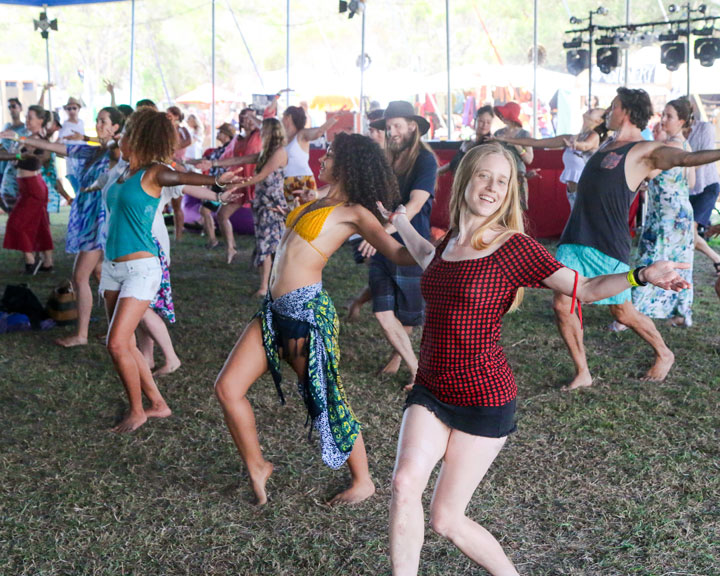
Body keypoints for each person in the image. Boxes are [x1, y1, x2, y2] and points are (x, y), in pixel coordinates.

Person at [381, 142, 690, 576]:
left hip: (482, 397)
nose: (491, 187)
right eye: (484, 176)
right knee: (402, 483)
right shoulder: (450, 240)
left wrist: (642, 274)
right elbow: (427, 257)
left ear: (510, 192)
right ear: (466, 177)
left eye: (502, 181)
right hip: (431, 389)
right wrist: (399, 222)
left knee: (445, 519)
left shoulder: (515, 248)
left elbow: (584, 288)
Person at [214, 132, 417, 506]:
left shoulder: (355, 213)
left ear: (349, 165)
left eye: (331, 155)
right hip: (274, 312)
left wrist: (411, 229)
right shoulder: (317, 201)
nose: (322, 159)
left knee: (325, 398)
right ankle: (258, 465)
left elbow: (400, 255)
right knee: (227, 388)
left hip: (307, 315)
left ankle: (364, 480)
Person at [552, 87, 720, 390]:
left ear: (626, 111)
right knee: (563, 305)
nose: (608, 111)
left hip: (606, 240)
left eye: (613, 106)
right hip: (575, 234)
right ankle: (583, 372)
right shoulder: (604, 142)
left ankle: (664, 352)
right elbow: (577, 131)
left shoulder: (644, 150)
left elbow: (687, 158)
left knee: (623, 311)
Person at [100, 108, 240, 433]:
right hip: (112, 268)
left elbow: (182, 178)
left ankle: (137, 411)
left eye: (126, 133)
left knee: (117, 344)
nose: (120, 137)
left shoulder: (155, 172)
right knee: (127, 344)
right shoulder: (121, 172)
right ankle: (158, 404)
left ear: (139, 138)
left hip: (142, 268)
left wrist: (216, 182)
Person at [2, 106, 125, 347]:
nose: (98, 124)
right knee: (101, 275)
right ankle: (115, 328)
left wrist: (105, 139)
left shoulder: (117, 151)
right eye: (97, 120)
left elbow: (117, 149)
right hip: (89, 217)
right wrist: (21, 138)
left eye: (104, 121)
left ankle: (82, 335)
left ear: (116, 127)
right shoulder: (90, 151)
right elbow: (56, 147)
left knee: (79, 277)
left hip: (100, 221)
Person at [363, 100, 438, 389]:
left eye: (396, 126)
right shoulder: (385, 160)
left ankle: (400, 360)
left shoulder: (425, 160)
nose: (390, 132)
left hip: (409, 245)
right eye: (387, 126)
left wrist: (384, 232)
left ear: (412, 127)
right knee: (383, 310)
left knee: (406, 312)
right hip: (382, 242)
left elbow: (415, 204)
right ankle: (415, 367)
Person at [632, 99, 695, 327]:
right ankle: (681, 313)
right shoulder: (685, 145)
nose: (663, 120)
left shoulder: (670, 147)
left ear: (681, 120)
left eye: (669, 116)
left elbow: (649, 173)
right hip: (678, 211)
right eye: (663, 115)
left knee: (650, 257)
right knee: (679, 261)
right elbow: (692, 181)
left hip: (667, 214)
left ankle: (634, 312)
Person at [495, 107, 608, 209]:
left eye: (596, 110)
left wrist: (576, 145)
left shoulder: (594, 136)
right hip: (572, 191)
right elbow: (537, 142)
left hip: (586, 189)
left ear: (598, 121)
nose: (592, 108)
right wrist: (507, 139)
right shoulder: (571, 137)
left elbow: (585, 145)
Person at [226, 117, 288, 296]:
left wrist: (236, 184)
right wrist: (213, 164)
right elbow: (242, 159)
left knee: (267, 246)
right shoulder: (267, 152)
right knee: (268, 246)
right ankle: (271, 285)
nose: (260, 133)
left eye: (263, 130)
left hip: (272, 205)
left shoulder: (279, 152)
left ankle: (265, 287)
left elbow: (261, 176)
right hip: (263, 203)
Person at [0, 144, 54, 273]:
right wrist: (19, 151)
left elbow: (44, 156)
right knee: (41, 225)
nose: (28, 122)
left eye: (31, 121)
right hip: (28, 187)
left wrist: (28, 150)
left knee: (16, 224)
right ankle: (47, 262)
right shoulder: (14, 141)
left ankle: (31, 261)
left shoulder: (35, 140)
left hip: (33, 187)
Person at [186, 122, 236, 248]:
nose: (218, 134)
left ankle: (215, 241)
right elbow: (206, 161)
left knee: (208, 211)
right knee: (215, 213)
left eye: (220, 132)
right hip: (217, 183)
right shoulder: (222, 149)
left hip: (221, 184)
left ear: (226, 135)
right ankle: (221, 242)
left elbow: (210, 162)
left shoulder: (228, 149)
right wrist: (187, 161)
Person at [281, 105, 339, 201]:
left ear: (288, 117)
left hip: (301, 179)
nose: (281, 119)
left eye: (283, 116)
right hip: (285, 179)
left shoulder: (301, 134)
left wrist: (333, 119)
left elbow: (319, 131)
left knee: (305, 212)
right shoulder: (283, 137)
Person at [493, 102, 534, 210]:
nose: (501, 116)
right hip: (499, 174)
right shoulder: (498, 133)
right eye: (500, 114)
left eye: (503, 113)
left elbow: (529, 159)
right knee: (498, 207)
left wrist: (517, 146)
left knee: (516, 210)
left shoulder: (524, 134)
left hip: (517, 176)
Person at [437, 105, 494, 176]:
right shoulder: (468, 141)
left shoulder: (491, 145)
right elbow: (454, 163)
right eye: (481, 121)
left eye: (488, 122)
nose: (484, 125)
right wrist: (438, 172)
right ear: (475, 121)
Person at [166, 106, 192, 241]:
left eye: (172, 114)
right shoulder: (166, 131)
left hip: (177, 166)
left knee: (177, 203)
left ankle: (178, 235)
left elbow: (181, 144)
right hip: (168, 165)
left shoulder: (181, 130)